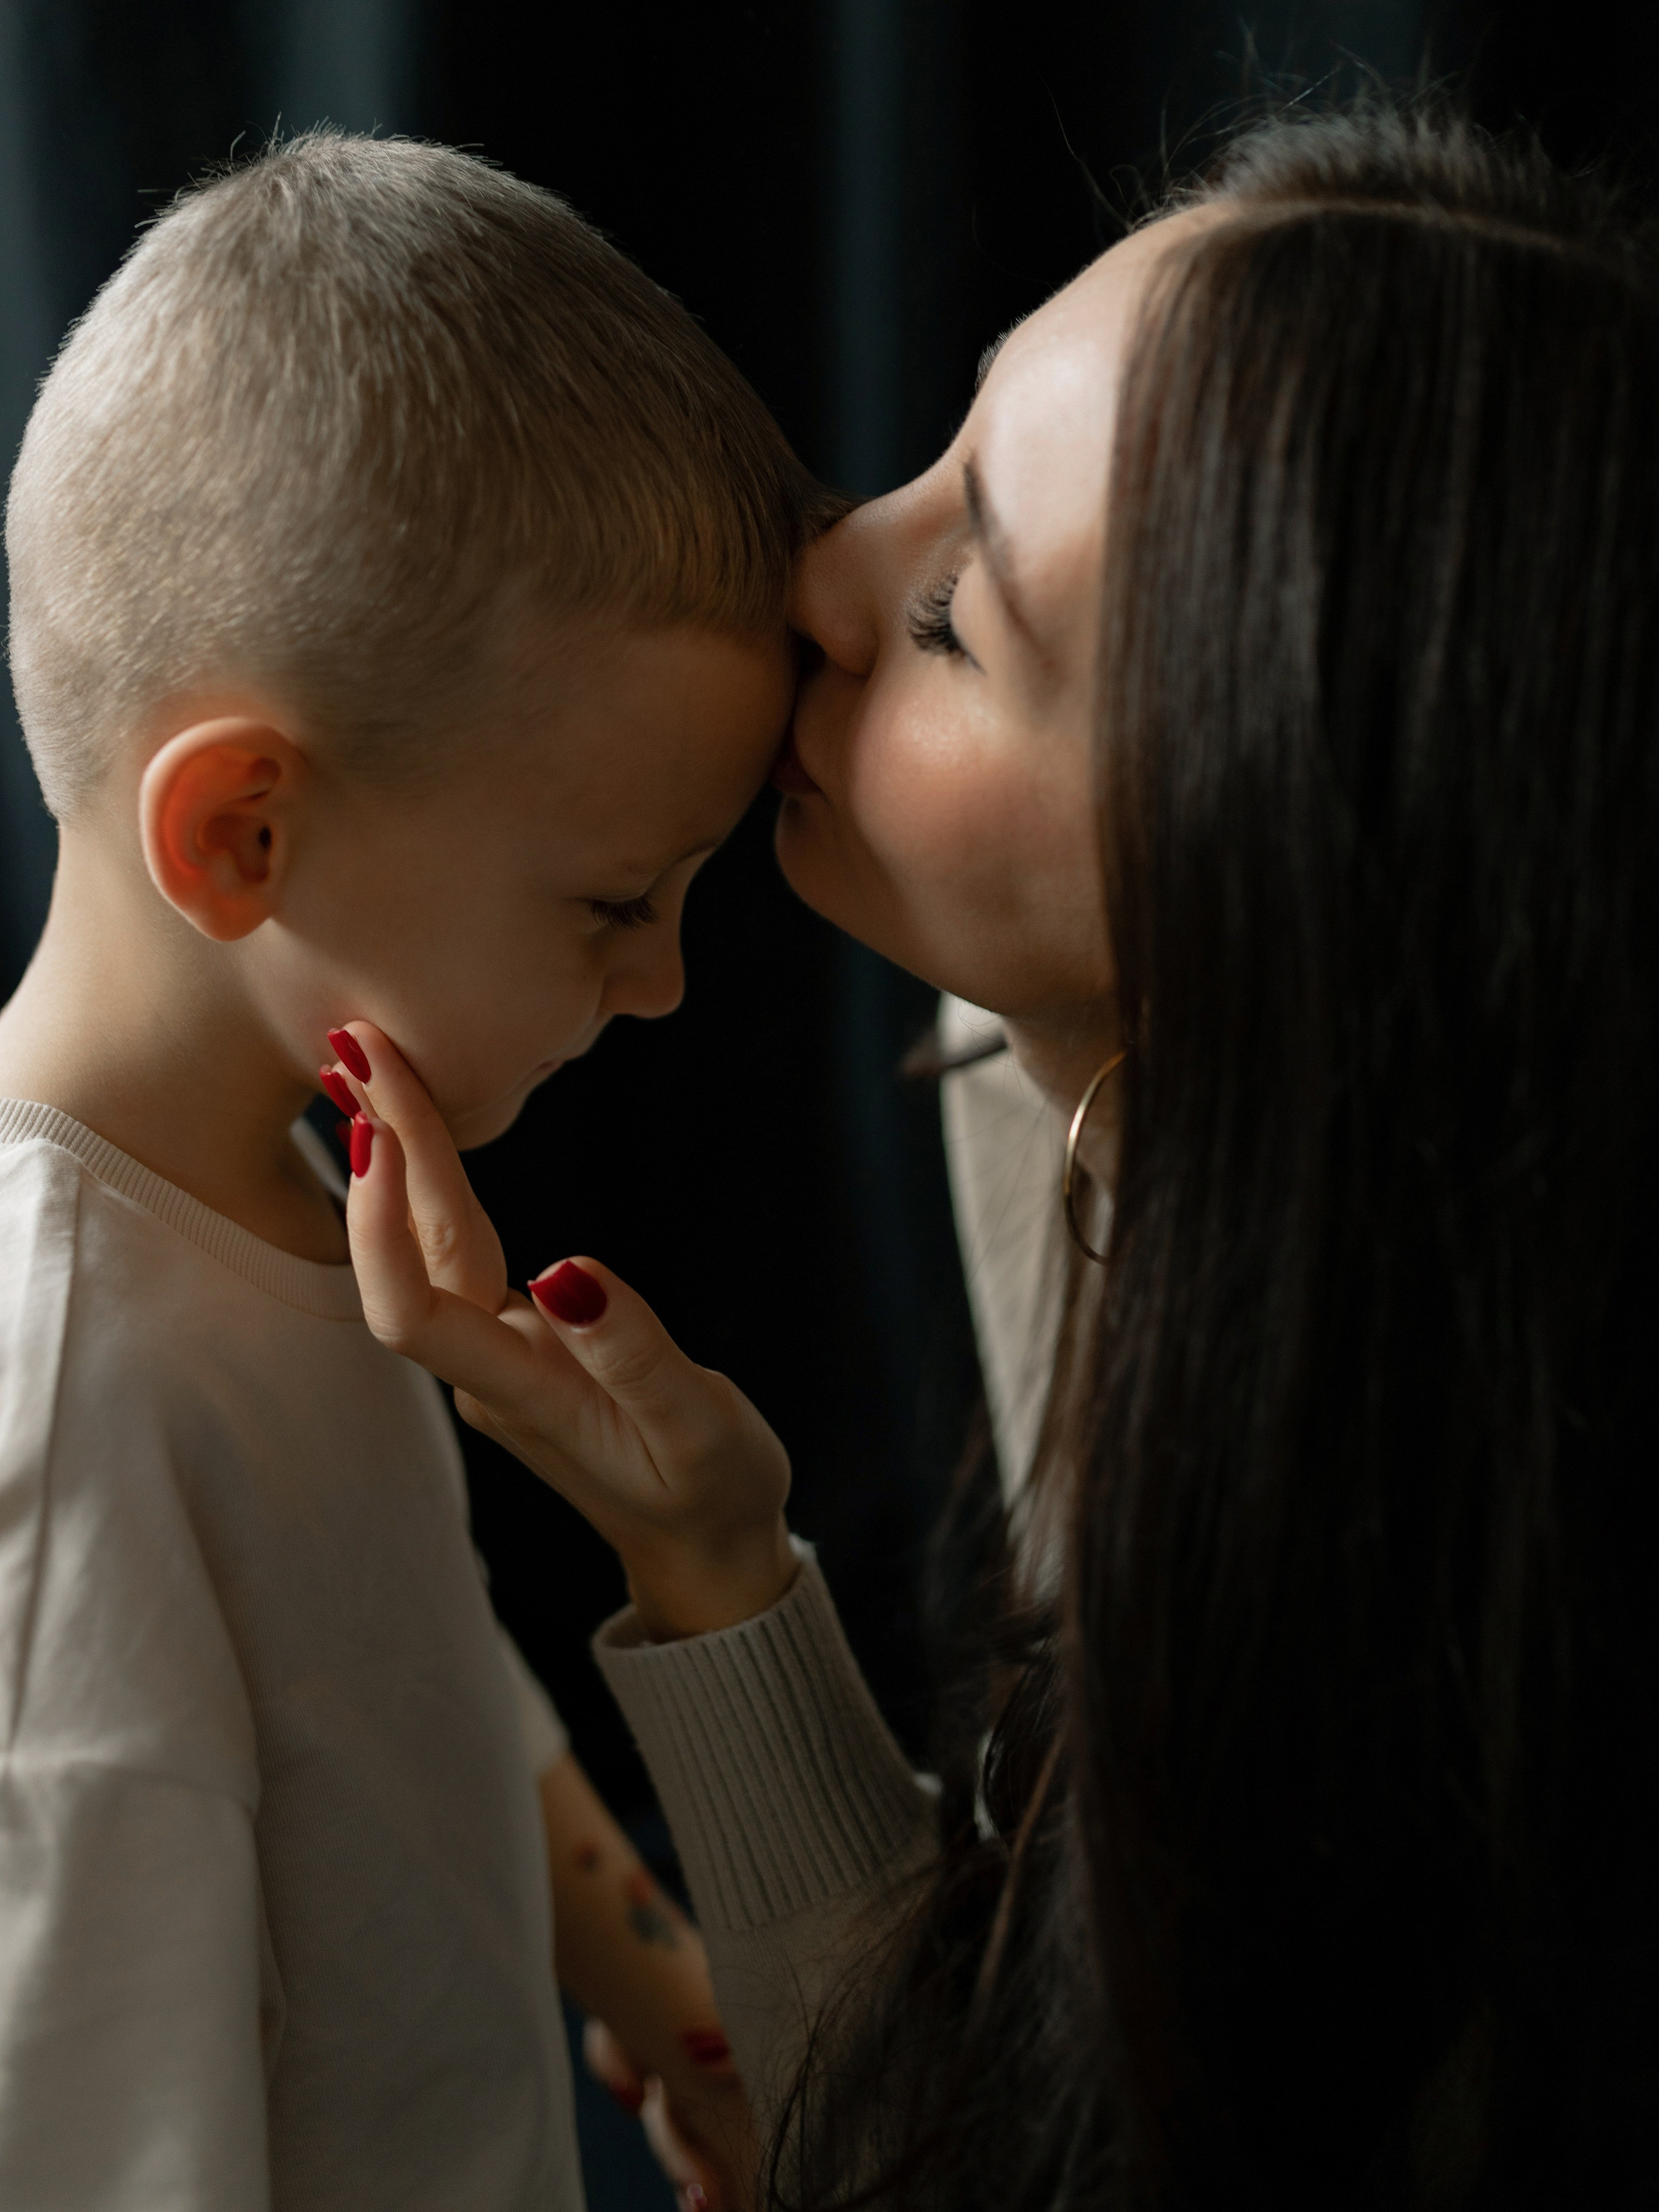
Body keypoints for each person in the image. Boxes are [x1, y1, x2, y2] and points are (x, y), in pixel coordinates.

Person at [340, 102, 1659, 2210]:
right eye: (943, 451)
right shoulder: (1043, 1094)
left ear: (1260, 918)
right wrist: (711, 1562)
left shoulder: (1478, 1742)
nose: (825, 570)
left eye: (964, 616)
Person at [0, 130, 841, 2209]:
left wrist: (673, 1990)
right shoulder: (59, 1408)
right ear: (243, 840)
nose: (660, 987)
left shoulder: (289, 1194)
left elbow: (402, 1668)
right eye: (610, 901)